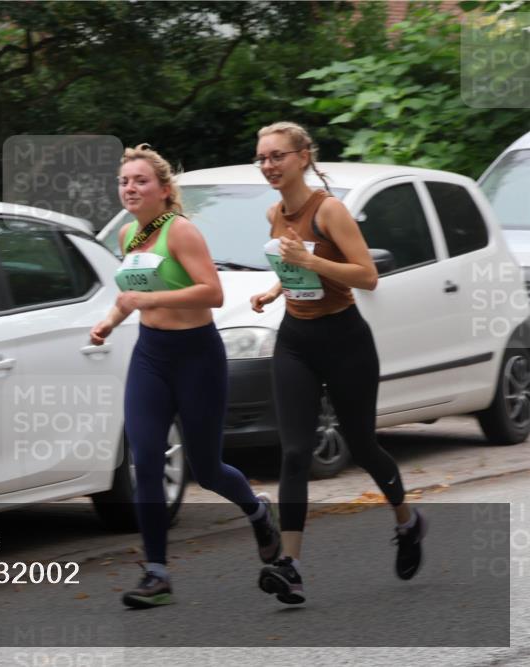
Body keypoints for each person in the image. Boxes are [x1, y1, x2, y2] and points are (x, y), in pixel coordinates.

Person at [90, 144, 280, 609]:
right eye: (124, 182)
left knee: (208, 468)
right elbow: (132, 293)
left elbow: (211, 293)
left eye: (140, 181)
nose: (130, 188)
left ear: (163, 189)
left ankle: (258, 512)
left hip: (197, 356)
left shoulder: (181, 232)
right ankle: (157, 574)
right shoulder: (128, 237)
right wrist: (110, 322)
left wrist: (147, 304)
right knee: (147, 460)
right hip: (150, 356)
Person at [249, 121, 427, 605]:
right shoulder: (273, 213)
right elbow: (291, 269)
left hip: (344, 338)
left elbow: (367, 276)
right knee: (293, 451)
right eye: (262, 157)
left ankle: (407, 522)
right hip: (295, 340)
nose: (268, 165)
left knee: (363, 445)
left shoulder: (330, 211)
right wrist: (272, 289)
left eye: (277, 156)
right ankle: (291, 565)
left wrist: (313, 265)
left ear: (303, 157)